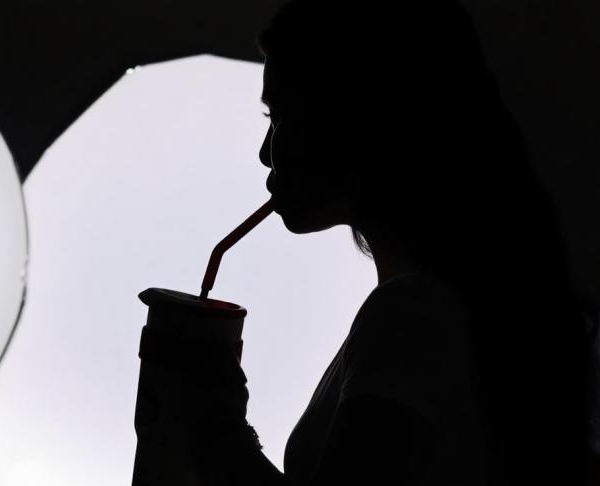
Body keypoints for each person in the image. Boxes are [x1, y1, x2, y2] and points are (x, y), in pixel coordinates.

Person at [180, 0, 599, 484]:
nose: (263, 153)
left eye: (279, 116)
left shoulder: (409, 314)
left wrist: (214, 424)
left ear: (350, 120)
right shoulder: (454, 302)